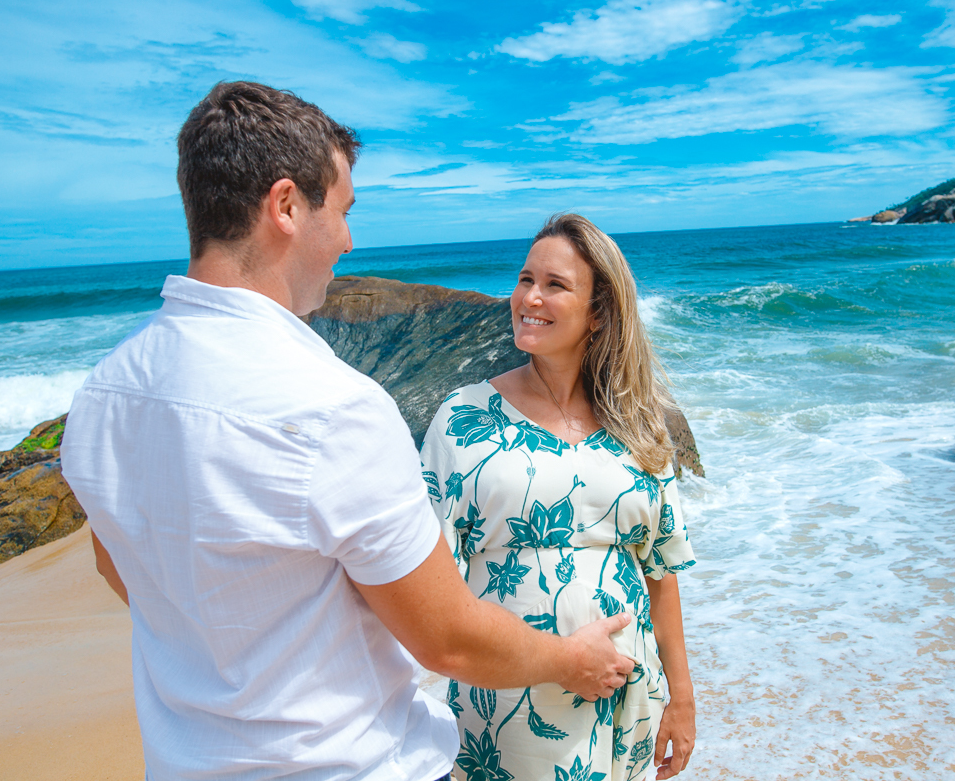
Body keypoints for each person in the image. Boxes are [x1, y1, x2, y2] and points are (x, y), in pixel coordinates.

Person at [60, 81, 636, 781]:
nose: (348, 240)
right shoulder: (333, 408)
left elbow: (122, 567)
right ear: (285, 207)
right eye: (341, 210)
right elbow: (447, 640)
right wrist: (567, 660)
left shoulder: (103, 395)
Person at [419, 213, 698, 781]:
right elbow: (429, 583)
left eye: (555, 284)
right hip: (508, 701)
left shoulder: (641, 426)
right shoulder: (464, 418)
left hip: (626, 697)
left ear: (599, 312)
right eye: (525, 279)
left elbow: (661, 573)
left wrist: (683, 697)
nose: (530, 297)